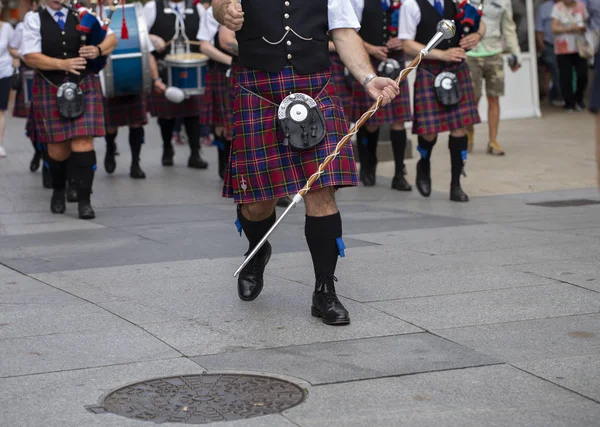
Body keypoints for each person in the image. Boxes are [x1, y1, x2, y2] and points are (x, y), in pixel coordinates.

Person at [213, 0, 400, 325]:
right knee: (258, 202)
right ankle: (258, 249)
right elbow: (220, 6)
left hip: (314, 88)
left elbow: (343, 32)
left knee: (321, 190)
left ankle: (324, 291)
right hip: (258, 90)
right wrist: (224, 12)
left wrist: (369, 79)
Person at [23, 0, 118, 219]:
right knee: (58, 148)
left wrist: (97, 49)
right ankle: (59, 190)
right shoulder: (34, 19)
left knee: (83, 141)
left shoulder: (83, 13)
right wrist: (62, 65)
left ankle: (84, 201)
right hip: (50, 85)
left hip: (84, 84)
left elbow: (112, 38)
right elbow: (30, 56)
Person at [398, 0, 485, 202]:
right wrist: (441, 54)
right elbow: (406, 44)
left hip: (456, 68)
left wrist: (476, 35)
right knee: (428, 132)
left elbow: (480, 20)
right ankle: (424, 163)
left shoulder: (454, 2)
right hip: (429, 69)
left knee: (459, 129)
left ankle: (456, 184)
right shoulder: (411, 5)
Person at [351, 0, 413, 191]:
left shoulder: (406, 2)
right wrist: (370, 48)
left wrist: (402, 41)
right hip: (369, 61)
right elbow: (347, 33)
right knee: (371, 120)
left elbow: (414, 29)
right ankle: (368, 165)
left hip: (396, 60)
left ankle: (399, 173)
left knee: (399, 120)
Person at [102, 1, 166, 180]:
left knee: (136, 123)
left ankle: (135, 163)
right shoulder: (99, 15)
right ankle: (110, 148)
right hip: (110, 77)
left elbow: (147, 52)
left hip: (136, 77)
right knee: (111, 126)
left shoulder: (134, 17)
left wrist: (155, 80)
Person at [144, 0, 210, 169]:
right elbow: (140, 35)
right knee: (166, 115)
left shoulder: (198, 8)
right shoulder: (152, 7)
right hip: (163, 70)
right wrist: (150, 37)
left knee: (194, 113)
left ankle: (195, 153)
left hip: (193, 71)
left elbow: (207, 36)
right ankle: (167, 148)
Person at [466, 0, 522, 156]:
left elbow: (509, 28)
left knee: (494, 98)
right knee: (471, 99)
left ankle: (493, 141)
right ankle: (468, 134)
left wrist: (515, 54)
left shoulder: (504, 2)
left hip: (494, 52)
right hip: (470, 54)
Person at [9, 1, 52, 188]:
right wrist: (26, 55)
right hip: (31, 77)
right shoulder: (25, 23)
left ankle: (50, 164)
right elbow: (13, 48)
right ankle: (40, 153)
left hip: (53, 76)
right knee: (35, 126)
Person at [198, 5, 234, 180]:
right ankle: (226, 164)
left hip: (260, 68)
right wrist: (232, 61)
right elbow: (205, 46)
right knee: (225, 123)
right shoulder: (214, 10)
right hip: (223, 70)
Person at [551, 0, 589, 111]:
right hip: (563, 47)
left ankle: (579, 98)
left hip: (579, 47)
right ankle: (569, 102)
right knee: (565, 76)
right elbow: (553, 28)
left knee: (583, 74)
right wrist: (570, 28)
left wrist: (583, 27)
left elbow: (586, 22)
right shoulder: (557, 8)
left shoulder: (581, 6)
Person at [536, 0, 565, 106]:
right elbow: (539, 29)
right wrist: (542, 45)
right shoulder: (544, 8)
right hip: (549, 45)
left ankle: (558, 94)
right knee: (556, 70)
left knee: (564, 70)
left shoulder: (567, 6)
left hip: (566, 45)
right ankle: (558, 96)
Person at [0, 10, 15, 159]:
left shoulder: (7, 28)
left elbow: (13, 48)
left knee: (0, 110)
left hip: (3, 72)